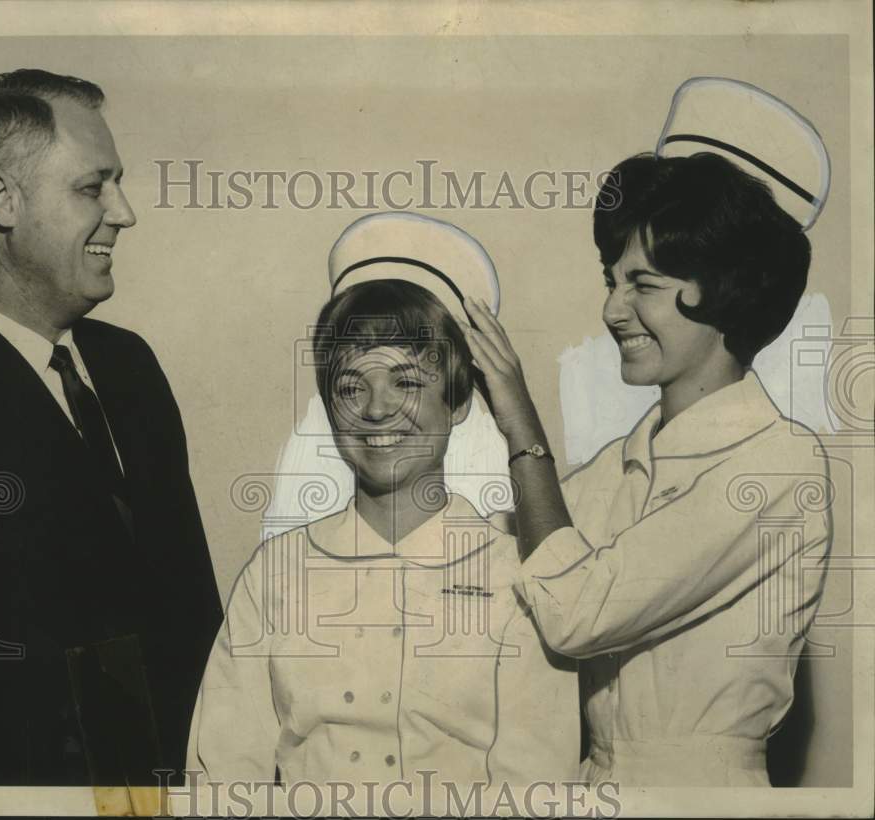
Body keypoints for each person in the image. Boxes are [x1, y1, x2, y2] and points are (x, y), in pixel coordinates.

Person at [460, 77, 833, 786]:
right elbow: (502, 589)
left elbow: (573, 614)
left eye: (643, 285)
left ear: (725, 290)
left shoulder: (781, 467)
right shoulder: (615, 469)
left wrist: (520, 423)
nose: (611, 308)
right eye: (611, 277)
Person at [185, 213, 579, 804]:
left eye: (406, 382)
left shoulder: (515, 575)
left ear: (459, 402)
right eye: (351, 386)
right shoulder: (276, 573)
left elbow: (536, 784)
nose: (376, 410)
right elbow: (221, 780)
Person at [0, 69, 222, 786]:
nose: (124, 212)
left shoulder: (131, 366)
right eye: (93, 187)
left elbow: (192, 611)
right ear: (2, 200)